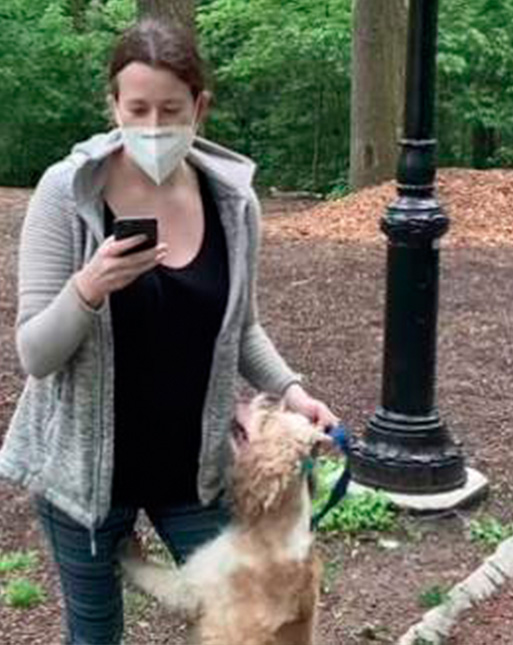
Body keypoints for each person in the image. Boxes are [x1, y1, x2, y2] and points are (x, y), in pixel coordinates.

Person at [0, 19, 338, 645]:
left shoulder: (234, 204)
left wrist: (291, 392)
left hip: (195, 471)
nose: (153, 127)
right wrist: (89, 287)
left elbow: (243, 329)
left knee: (253, 626)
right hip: (84, 477)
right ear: (113, 106)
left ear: (199, 107)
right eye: (138, 109)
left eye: (170, 110)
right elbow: (35, 354)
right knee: (96, 636)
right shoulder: (66, 194)